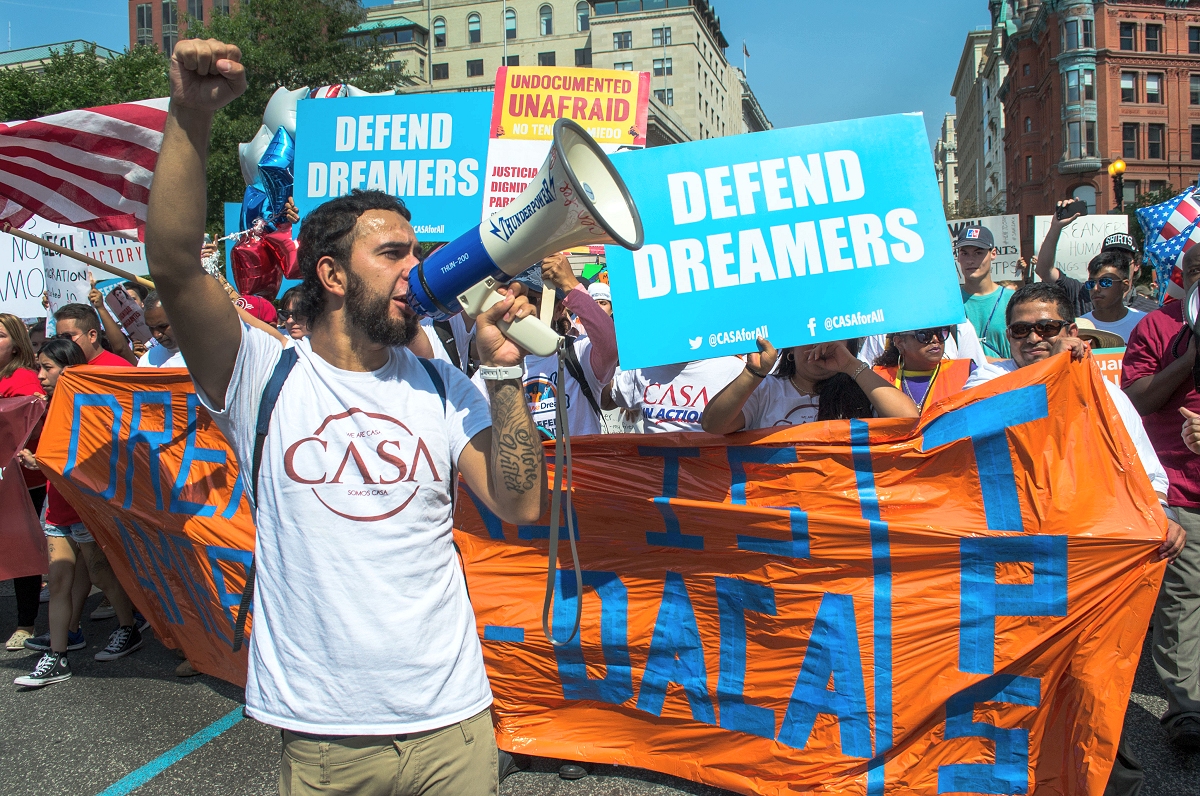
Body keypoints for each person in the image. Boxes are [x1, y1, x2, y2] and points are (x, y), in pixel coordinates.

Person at [145, 38, 546, 794]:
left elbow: (521, 504)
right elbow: (172, 263)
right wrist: (190, 115)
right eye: (392, 254)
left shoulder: (442, 384)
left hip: (454, 725)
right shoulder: (262, 372)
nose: (415, 269)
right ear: (329, 274)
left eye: (416, 252)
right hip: (328, 741)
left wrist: (500, 371)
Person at [963, 282, 1186, 792]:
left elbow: (1144, 472)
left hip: (1089, 570)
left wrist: (1158, 515)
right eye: (1022, 330)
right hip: (1012, 568)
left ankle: (1107, 781)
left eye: (1047, 328)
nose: (1034, 339)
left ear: (1070, 331)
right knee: (1013, 688)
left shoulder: (1099, 388)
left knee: (1091, 686)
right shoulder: (985, 384)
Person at [14, 339, 148, 688]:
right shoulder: (43, 405)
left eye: (47, 368)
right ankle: (58, 657)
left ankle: (127, 627)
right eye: (39, 367)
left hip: (85, 507)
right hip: (57, 506)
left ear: (68, 369)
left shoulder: (86, 408)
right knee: (59, 580)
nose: (40, 375)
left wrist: (41, 463)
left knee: (101, 574)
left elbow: (87, 460)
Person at [1120, 243, 1200, 753]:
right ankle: (1187, 708)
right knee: (1183, 599)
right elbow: (1139, 397)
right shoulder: (1157, 327)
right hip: (1181, 488)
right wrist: (1190, 358)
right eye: (1195, 270)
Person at [474, 255, 617, 439]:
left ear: (558, 310)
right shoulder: (492, 367)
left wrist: (570, 284)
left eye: (533, 299)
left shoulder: (578, 353)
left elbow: (609, 346)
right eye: (516, 297)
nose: (522, 307)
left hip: (577, 467)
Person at [701, 338, 918, 433]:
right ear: (791, 350)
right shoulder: (767, 389)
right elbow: (713, 425)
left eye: (831, 339)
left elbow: (909, 420)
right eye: (809, 339)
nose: (819, 347)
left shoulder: (864, 390)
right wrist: (753, 373)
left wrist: (851, 366)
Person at [1, 314, 48, 652]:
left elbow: (32, 421)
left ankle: (25, 623)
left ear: (15, 343)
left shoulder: (24, 378)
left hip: (22, 480)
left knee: (22, 550)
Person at [1036, 201, 1149, 316]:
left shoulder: (1149, 310)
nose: (1116, 265)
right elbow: (1044, 271)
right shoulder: (1081, 293)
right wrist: (1056, 226)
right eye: (1110, 259)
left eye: (1124, 260)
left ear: (1137, 265)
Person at [604, 357, 744, 434]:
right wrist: (605, 353)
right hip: (656, 480)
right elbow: (607, 400)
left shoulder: (736, 370)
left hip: (712, 480)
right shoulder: (644, 369)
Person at [871, 327, 975, 414]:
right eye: (924, 335)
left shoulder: (968, 371)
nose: (935, 339)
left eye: (941, 333)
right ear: (899, 342)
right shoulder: (876, 378)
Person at [957, 225, 1012, 359]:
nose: (970, 260)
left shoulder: (1013, 300)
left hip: (1007, 378)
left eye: (978, 253)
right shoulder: (950, 302)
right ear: (958, 257)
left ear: (993, 253)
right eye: (965, 253)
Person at [1078, 252, 1146, 343]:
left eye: (1105, 282)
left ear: (1124, 285)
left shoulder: (1144, 323)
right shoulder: (1078, 327)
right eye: (1091, 283)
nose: (1095, 288)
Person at [51, 303, 135, 368]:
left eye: (67, 336)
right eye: (58, 338)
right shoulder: (60, 369)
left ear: (92, 336)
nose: (62, 343)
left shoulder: (118, 369)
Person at [137, 291, 186, 367]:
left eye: (162, 326)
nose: (156, 335)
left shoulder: (207, 353)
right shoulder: (146, 362)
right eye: (151, 328)